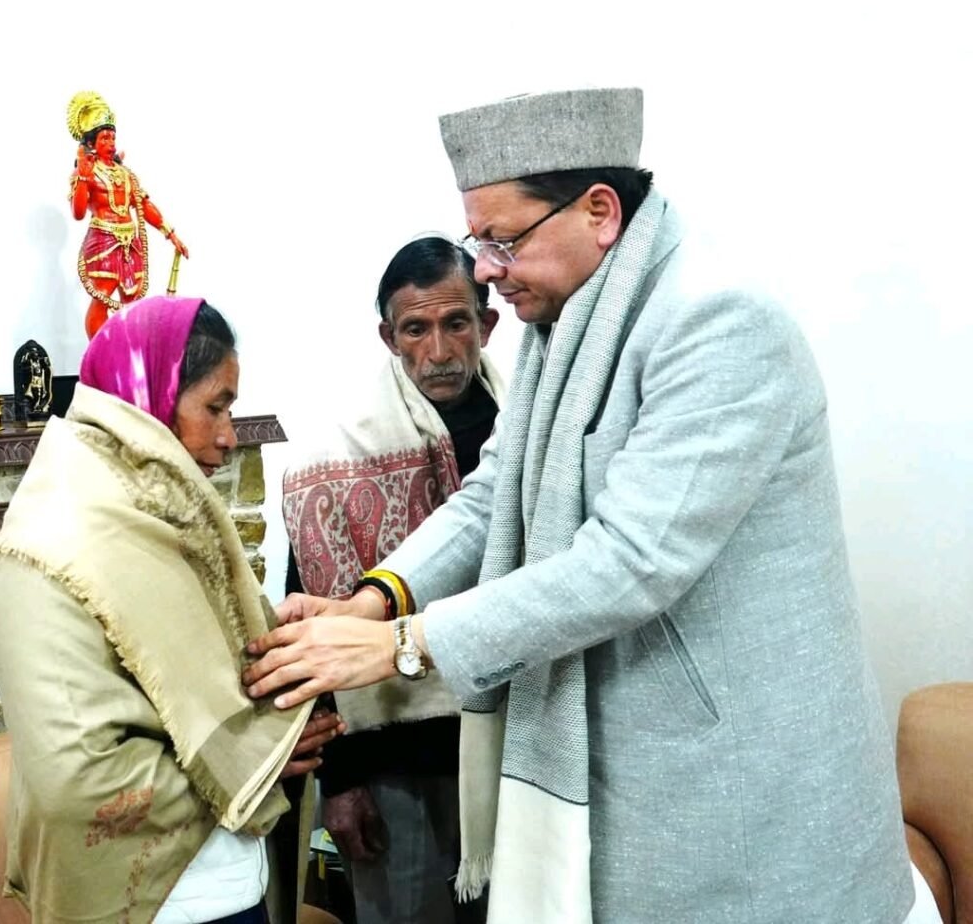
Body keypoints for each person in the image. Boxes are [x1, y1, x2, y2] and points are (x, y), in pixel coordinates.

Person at [242, 89, 926, 924]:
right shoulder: (563, 323)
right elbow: (493, 491)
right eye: (477, 241)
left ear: (599, 212)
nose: (485, 269)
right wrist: (376, 599)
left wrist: (403, 646)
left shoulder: (717, 318)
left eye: (502, 240)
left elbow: (628, 563)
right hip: (629, 759)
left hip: (740, 778)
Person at [0, 296, 344, 924]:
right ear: (148, 396)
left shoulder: (161, 515)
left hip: (233, 882)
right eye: (215, 407)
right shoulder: (47, 547)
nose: (230, 436)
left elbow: (210, 685)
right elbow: (75, 782)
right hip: (158, 905)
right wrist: (251, 767)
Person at [282, 236, 503, 924]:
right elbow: (313, 632)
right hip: (390, 764)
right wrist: (340, 783)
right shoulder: (334, 462)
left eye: (456, 323)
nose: (438, 350)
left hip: (512, 741)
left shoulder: (525, 432)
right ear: (389, 337)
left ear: (487, 323)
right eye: (415, 329)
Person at [67, 91, 190, 339]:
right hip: (103, 241)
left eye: (112, 137)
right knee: (102, 296)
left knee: (133, 300)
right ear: (91, 143)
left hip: (130, 244)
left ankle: (129, 349)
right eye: (104, 138)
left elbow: (144, 205)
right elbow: (78, 213)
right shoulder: (87, 173)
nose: (111, 143)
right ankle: (100, 351)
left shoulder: (125, 174)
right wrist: (83, 176)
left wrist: (171, 234)